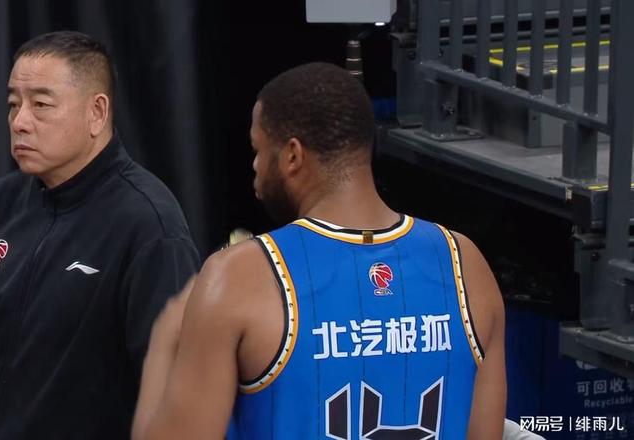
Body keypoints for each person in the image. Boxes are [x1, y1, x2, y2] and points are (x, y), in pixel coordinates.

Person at [133, 62, 506, 439]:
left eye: (258, 151)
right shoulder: (464, 262)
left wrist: (166, 341)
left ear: (292, 156)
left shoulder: (239, 276)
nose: (256, 169)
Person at [0, 31, 200, 439]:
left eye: (41, 105)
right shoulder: (0, 202)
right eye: (13, 104)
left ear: (97, 112)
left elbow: (175, 394)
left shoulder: (148, 224)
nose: (19, 122)